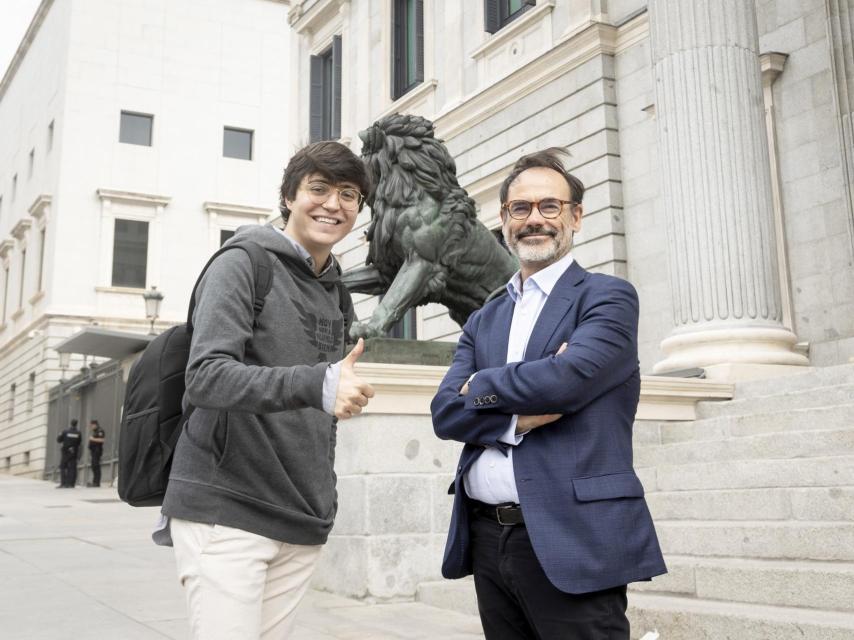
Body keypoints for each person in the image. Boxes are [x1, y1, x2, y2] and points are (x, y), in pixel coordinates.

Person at [431, 148, 666, 639]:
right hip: (489, 538)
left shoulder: (607, 296)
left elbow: (569, 379)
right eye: (521, 208)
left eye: (549, 206)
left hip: (572, 535)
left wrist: (484, 385)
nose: (534, 219)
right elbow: (445, 414)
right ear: (503, 220)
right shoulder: (484, 317)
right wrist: (514, 419)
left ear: (576, 216)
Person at [160, 140, 375, 640]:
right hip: (227, 511)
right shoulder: (243, 262)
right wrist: (316, 383)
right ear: (288, 197)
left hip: (300, 518)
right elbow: (207, 375)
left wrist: (324, 499)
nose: (332, 205)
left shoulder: (336, 289)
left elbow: (317, 407)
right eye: (318, 189)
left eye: (348, 195)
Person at [56, 419, 82, 488]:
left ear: (70, 423)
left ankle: (63, 483)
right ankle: (71, 484)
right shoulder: (78, 433)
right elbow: (79, 443)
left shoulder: (65, 431)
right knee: (72, 468)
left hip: (65, 452)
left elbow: (58, 440)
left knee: (63, 467)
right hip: (74, 452)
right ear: (76, 424)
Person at [87, 419, 105, 487]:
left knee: (96, 466)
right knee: (94, 466)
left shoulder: (100, 431)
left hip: (97, 451)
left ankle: (97, 483)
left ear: (95, 424)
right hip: (94, 451)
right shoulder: (95, 431)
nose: (91, 427)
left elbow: (102, 440)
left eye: (91, 425)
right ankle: (94, 482)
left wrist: (92, 439)